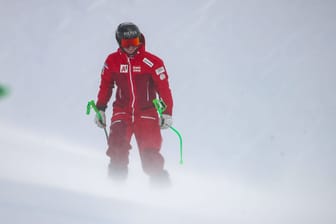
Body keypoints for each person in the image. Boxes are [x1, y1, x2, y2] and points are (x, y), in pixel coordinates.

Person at [94, 22, 173, 185]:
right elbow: (106, 85)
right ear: (118, 41)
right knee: (116, 148)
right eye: (126, 43)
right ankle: (114, 187)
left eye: (134, 42)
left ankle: (162, 192)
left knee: (151, 158)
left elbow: (163, 88)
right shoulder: (112, 61)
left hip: (147, 113)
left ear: (140, 40)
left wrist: (167, 112)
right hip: (122, 111)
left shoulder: (153, 62)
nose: (131, 47)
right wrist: (100, 108)